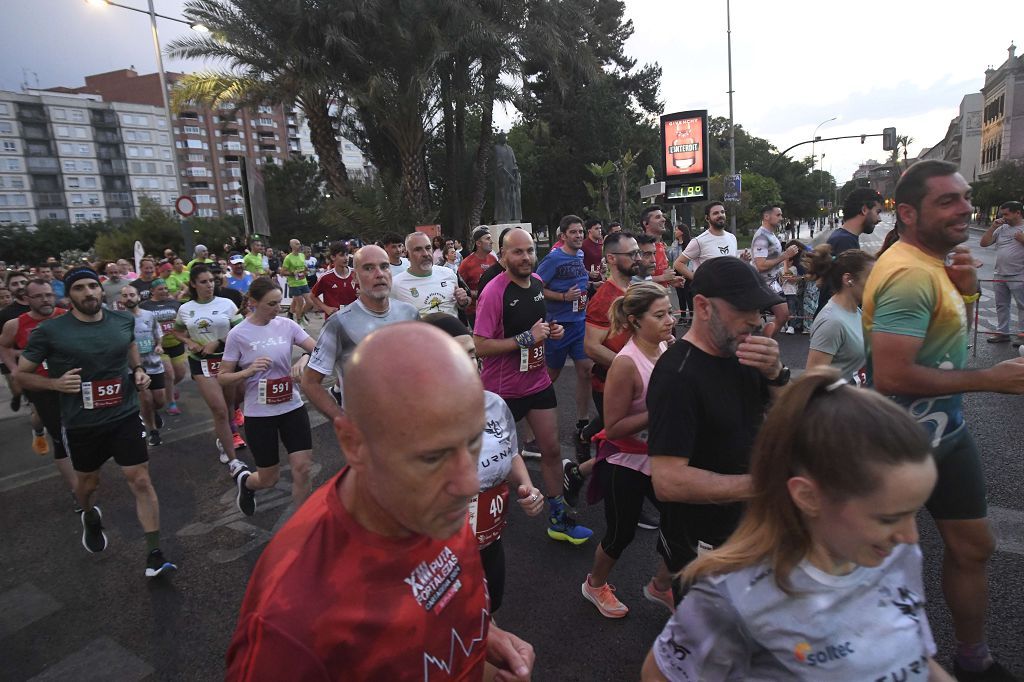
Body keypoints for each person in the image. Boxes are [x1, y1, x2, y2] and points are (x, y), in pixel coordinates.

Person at [225, 323, 536, 681]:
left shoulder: (434, 507)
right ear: (353, 444)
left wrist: (481, 636)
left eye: (471, 443)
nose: (467, 483)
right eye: (432, 458)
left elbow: (445, 615)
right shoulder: (290, 626)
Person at [642, 369, 953, 682]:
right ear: (808, 497)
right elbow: (659, 674)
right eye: (887, 518)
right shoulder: (734, 601)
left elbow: (916, 657)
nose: (910, 536)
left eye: (914, 512)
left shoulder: (898, 556)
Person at [864, 160, 1024, 681]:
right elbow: (890, 374)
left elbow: (949, 336)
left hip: (946, 434)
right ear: (908, 213)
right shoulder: (908, 273)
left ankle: (972, 658)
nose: (966, 208)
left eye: (964, 197)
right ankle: (891, 665)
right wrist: (990, 380)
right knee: (885, 569)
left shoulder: (938, 263)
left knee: (974, 546)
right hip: (897, 446)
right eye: (948, 201)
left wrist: (970, 289)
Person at [17, 267, 177, 578]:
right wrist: (54, 385)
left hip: (124, 414)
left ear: (101, 290)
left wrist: (138, 370)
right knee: (88, 486)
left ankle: (154, 554)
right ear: (69, 295)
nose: (89, 292)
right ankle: (89, 515)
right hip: (82, 423)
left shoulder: (122, 320)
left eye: (93, 286)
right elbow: (23, 373)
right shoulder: (51, 331)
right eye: (80, 288)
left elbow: (130, 345)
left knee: (141, 480)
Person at [647, 256, 788, 587]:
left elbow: (786, 422)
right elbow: (667, 481)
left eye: (760, 309)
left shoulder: (747, 352)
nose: (756, 320)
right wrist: (762, 486)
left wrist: (777, 375)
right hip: (705, 541)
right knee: (708, 634)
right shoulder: (676, 376)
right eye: (744, 309)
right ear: (703, 307)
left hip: (751, 528)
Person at [473, 227, 593, 545]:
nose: (526, 257)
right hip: (502, 391)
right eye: (517, 252)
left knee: (551, 450)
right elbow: (480, 345)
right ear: (502, 256)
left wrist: (550, 331)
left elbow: (538, 326)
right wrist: (527, 339)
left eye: (529, 251)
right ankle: (482, 516)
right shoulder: (494, 292)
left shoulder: (538, 283)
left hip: (537, 381)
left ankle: (558, 518)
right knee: (491, 457)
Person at [424, 313, 544, 612]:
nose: (472, 365)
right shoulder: (415, 422)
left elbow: (511, 451)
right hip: (440, 552)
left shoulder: (493, 403)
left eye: (472, 355)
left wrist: (527, 487)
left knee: (491, 613)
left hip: (490, 542)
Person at [580, 282, 676, 619]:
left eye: (670, 312)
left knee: (680, 522)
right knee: (621, 533)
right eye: (660, 315)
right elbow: (614, 425)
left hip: (662, 458)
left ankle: (662, 585)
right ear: (635, 320)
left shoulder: (665, 346)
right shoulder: (625, 363)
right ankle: (595, 584)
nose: (670, 320)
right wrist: (660, 411)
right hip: (627, 461)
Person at [219, 277, 316, 514]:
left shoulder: (287, 325)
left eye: (278, 303)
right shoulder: (238, 334)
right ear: (253, 302)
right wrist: (248, 371)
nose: (277, 309)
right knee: (268, 478)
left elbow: (319, 350)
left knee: (302, 468)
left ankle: (302, 528)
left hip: (291, 406)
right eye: (270, 304)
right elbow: (222, 377)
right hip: (260, 414)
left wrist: (304, 359)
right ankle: (245, 481)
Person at [301, 245, 419, 421]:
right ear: (355, 277)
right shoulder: (338, 323)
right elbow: (310, 382)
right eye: (369, 268)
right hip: (367, 436)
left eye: (384, 266)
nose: (379, 274)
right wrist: (340, 419)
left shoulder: (409, 313)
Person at [0, 279, 77, 499]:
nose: (45, 300)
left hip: (72, 382)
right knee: (60, 438)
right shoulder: (16, 324)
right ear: (27, 299)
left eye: (49, 295)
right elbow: (3, 345)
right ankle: (76, 490)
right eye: (39, 296)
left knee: (80, 432)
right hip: (41, 386)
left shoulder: (67, 315)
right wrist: (14, 369)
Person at [171, 264, 247, 470]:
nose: (209, 285)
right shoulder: (185, 309)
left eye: (212, 281)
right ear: (193, 285)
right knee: (219, 409)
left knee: (231, 404)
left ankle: (229, 432)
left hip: (226, 360)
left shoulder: (227, 304)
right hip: (201, 363)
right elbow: (177, 331)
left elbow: (241, 329)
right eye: (204, 282)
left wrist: (219, 341)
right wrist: (189, 342)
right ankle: (232, 459)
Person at [580, 232, 642, 466]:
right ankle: (582, 471)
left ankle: (586, 437)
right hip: (609, 384)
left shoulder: (633, 289)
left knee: (628, 441)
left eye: (638, 252)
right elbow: (591, 347)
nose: (637, 258)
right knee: (618, 446)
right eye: (632, 254)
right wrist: (628, 367)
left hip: (632, 381)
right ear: (612, 259)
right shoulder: (604, 298)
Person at [536, 215, 595, 450]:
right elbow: (536, 285)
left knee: (586, 371)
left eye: (581, 231)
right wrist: (562, 297)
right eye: (574, 232)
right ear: (563, 236)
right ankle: (537, 421)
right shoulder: (553, 258)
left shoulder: (580, 255)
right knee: (550, 377)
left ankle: (582, 420)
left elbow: (579, 283)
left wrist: (592, 285)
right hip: (557, 326)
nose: (579, 235)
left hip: (579, 323)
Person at [805, 248, 875, 382]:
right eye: (872, 278)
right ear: (848, 279)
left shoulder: (856, 311)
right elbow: (812, 381)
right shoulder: (832, 322)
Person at [815, 188, 885, 315]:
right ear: (864, 210)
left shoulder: (843, 237)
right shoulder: (845, 242)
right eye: (877, 211)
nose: (879, 219)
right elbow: (848, 290)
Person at [120, 285, 167, 446]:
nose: (129, 298)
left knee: (160, 400)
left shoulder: (149, 315)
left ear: (138, 297)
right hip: (133, 367)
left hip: (154, 363)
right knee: (145, 399)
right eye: (125, 296)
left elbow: (158, 333)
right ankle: (153, 431)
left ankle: (153, 413)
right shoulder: (119, 319)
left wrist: (159, 345)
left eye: (132, 295)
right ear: (121, 300)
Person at [391, 231, 469, 317]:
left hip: (453, 329)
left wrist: (462, 301)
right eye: (418, 249)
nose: (425, 254)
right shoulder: (396, 285)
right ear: (407, 254)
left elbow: (462, 304)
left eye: (428, 248)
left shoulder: (448, 273)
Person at [979, 200, 1024, 346]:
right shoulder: (1002, 228)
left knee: (1022, 305)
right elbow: (984, 243)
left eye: (1006, 214)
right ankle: (1002, 332)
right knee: (1001, 304)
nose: (1003, 217)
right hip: (1000, 273)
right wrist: (992, 228)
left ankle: (1022, 335)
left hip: (1019, 274)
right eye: (1001, 214)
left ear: (1017, 212)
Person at [751, 205, 800, 335]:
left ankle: (764, 343)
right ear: (767, 217)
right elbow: (761, 265)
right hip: (763, 283)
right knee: (782, 314)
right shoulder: (762, 236)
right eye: (778, 215)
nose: (781, 218)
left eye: (781, 215)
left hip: (772, 282)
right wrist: (785, 256)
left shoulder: (771, 234)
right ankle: (764, 343)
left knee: (783, 315)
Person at [141, 279, 186, 416]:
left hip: (176, 343)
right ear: (152, 291)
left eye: (166, 288)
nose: (165, 291)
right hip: (159, 346)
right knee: (169, 374)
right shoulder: (145, 306)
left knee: (180, 374)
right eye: (160, 289)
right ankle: (171, 403)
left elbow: (183, 320)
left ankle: (169, 389)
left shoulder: (175, 303)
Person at [0, 270, 31, 411]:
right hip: (22, 363)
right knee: (19, 391)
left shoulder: (43, 305)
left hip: (49, 362)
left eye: (23, 282)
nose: (20, 286)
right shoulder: (5, 314)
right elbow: (3, 344)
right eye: (15, 284)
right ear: (9, 287)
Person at [458, 225, 498, 328]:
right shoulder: (467, 263)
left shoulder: (493, 259)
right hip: (475, 311)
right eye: (488, 239)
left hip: (493, 308)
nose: (491, 241)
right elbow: (459, 286)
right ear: (478, 243)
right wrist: (476, 293)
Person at [640, 205, 686, 288]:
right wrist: (662, 278)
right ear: (646, 223)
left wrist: (670, 281)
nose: (663, 219)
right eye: (658, 217)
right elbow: (633, 279)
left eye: (662, 217)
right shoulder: (640, 247)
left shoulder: (661, 245)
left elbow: (658, 275)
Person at [310, 240, 358, 318]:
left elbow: (366, 294)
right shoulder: (326, 277)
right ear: (333, 257)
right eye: (342, 255)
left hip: (353, 319)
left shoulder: (356, 274)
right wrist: (326, 308)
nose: (346, 258)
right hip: (334, 320)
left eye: (346, 254)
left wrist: (362, 294)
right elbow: (312, 296)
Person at [281, 239, 312, 325]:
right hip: (294, 283)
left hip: (303, 282)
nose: (299, 246)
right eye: (297, 244)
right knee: (300, 302)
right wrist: (293, 273)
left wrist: (306, 271)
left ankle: (301, 315)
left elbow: (304, 267)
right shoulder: (288, 258)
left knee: (310, 302)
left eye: (299, 244)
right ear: (292, 246)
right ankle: (299, 322)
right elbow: (282, 272)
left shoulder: (302, 255)